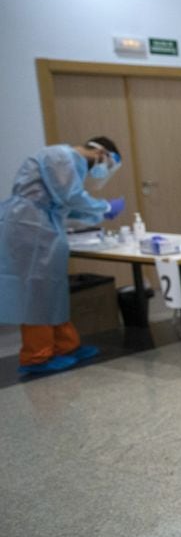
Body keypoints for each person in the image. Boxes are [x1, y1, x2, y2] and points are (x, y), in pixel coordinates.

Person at [0, 137, 125, 375]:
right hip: (28, 227)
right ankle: (35, 358)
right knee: (35, 294)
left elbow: (68, 205)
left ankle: (65, 347)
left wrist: (99, 214)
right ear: (101, 153)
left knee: (53, 290)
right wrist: (104, 207)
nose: (103, 171)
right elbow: (71, 197)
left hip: (43, 228)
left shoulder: (71, 165)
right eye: (108, 165)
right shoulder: (60, 157)